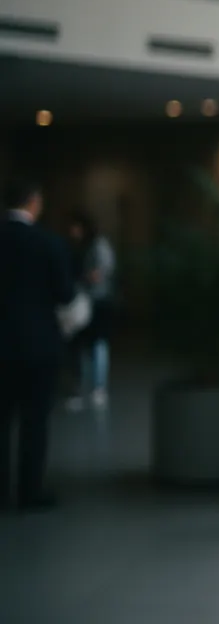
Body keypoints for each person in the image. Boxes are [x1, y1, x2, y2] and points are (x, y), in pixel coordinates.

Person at [0, 179, 76, 511]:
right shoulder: (49, 243)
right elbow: (65, 295)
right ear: (33, 202)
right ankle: (29, 490)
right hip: (38, 345)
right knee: (35, 422)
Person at [66, 212, 116, 410]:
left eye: (76, 227)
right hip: (84, 300)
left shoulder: (98, 247)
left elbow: (100, 274)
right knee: (83, 346)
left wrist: (81, 278)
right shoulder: (79, 247)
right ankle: (85, 387)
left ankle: (98, 387)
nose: (73, 232)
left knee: (98, 345)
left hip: (98, 301)